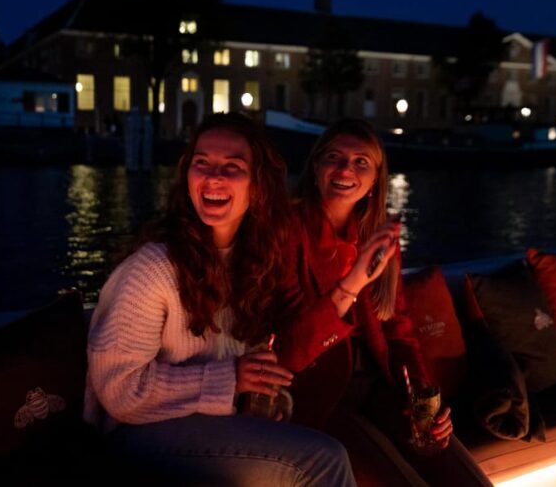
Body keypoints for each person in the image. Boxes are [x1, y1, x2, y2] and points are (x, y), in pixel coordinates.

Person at [84, 112, 356, 486]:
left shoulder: (254, 265)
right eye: (202, 163)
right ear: (187, 176)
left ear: (257, 186)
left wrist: (266, 399)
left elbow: (252, 360)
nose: (214, 176)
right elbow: (119, 390)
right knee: (323, 460)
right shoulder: (153, 269)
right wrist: (231, 378)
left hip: (211, 426)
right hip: (137, 434)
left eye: (232, 166)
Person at [276, 119, 492, 486]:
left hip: (380, 386)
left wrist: (424, 399)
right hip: (318, 393)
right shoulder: (285, 230)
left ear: (376, 178)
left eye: (361, 162)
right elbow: (288, 350)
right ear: (315, 166)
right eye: (334, 157)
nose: (346, 169)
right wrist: (352, 282)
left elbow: (398, 328)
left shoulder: (378, 237)